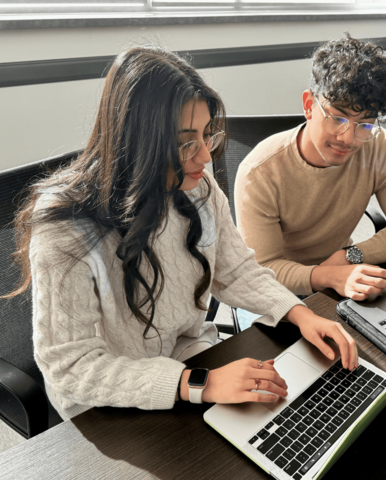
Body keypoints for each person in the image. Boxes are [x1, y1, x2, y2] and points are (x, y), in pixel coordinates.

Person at [4, 44, 357, 420]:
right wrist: (198, 383)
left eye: (207, 136)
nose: (206, 157)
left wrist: (299, 313)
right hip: (104, 404)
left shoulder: (198, 186)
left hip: (187, 358)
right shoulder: (65, 229)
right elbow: (71, 367)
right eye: (187, 141)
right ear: (136, 141)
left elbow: (236, 270)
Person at [235, 34, 386, 300]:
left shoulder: (380, 146)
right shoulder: (259, 172)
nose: (348, 139)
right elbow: (264, 268)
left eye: (364, 124)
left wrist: (350, 256)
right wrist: (326, 275)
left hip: (343, 274)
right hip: (279, 289)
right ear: (309, 106)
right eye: (337, 118)